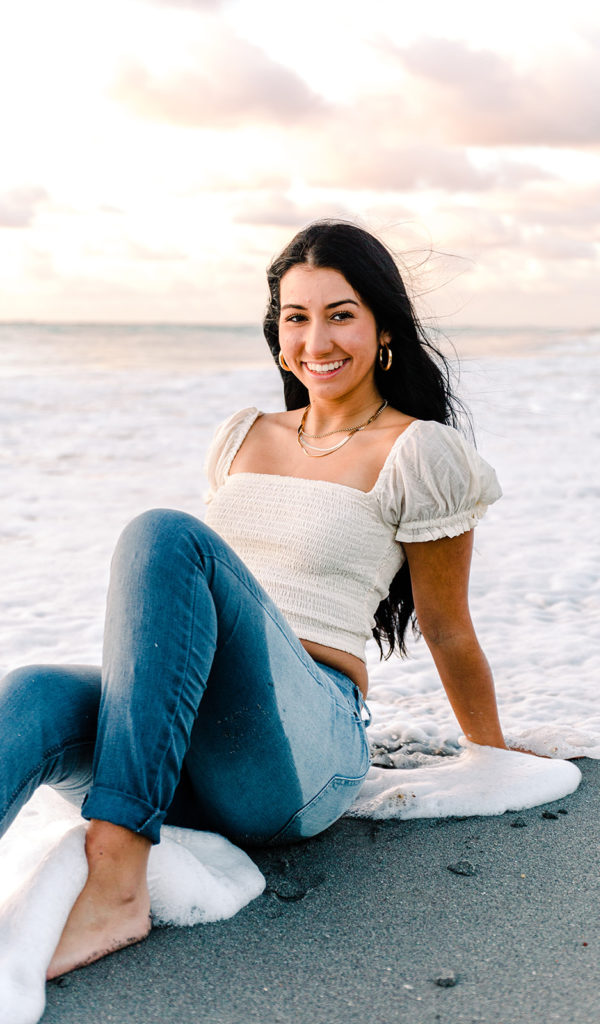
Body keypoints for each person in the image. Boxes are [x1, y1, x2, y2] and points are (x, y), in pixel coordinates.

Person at [0, 220, 505, 980]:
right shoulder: (243, 435)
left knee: (165, 535)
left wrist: (493, 758)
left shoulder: (419, 451)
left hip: (296, 759)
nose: (317, 338)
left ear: (383, 329)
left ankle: (116, 875)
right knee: (36, 689)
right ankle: (128, 830)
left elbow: (445, 626)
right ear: (277, 337)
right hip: (184, 757)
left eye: (340, 314)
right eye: (296, 317)